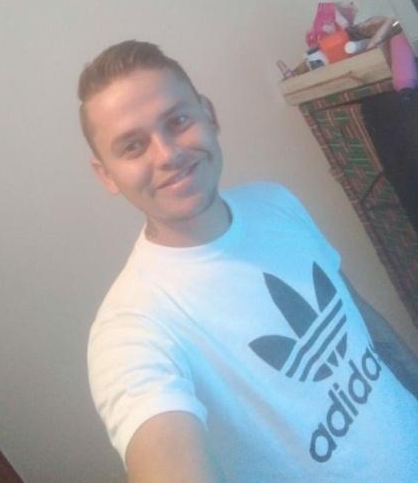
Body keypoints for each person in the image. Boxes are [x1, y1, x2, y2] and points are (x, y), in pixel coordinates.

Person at [78, 40, 418, 482]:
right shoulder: (130, 330)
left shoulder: (274, 202)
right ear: (106, 175)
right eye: (132, 146)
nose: (168, 155)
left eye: (177, 121)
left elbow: (362, 323)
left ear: (209, 115)